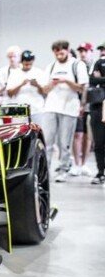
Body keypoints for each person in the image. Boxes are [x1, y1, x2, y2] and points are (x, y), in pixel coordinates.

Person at [42, 40, 89, 182]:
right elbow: (44, 89)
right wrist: (52, 83)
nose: (59, 55)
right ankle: (45, 170)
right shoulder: (50, 66)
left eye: (61, 52)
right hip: (51, 106)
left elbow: (82, 88)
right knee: (48, 141)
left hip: (69, 107)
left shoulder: (77, 65)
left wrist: (66, 81)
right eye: (56, 53)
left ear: (67, 50)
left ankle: (63, 169)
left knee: (64, 142)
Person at [5, 50, 48, 127]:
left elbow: (44, 92)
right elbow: (9, 93)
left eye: (30, 63)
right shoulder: (14, 73)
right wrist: (21, 84)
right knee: (20, 133)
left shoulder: (39, 72)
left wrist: (37, 85)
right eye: (26, 63)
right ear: (22, 61)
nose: (28, 64)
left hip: (37, 109)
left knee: (38, 132)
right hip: (20, 110)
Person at [72, 42, 95, 176]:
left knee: (88, 136)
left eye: (85, 51)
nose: (83, 53)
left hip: (91, 106)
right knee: (77, 134)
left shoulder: (94, 67)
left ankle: (85, 163)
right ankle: (76, 164)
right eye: (81, 51)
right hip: (77, 105)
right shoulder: (75, 66)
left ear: (90, 52)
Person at [89, 43, 105, 184]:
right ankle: (100, 172)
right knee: (99, 141)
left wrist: (101, 79)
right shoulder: (98, 62)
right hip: (99, 104)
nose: (102, 52)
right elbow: (92, 80)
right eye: (101, 50)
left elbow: (98, 79)